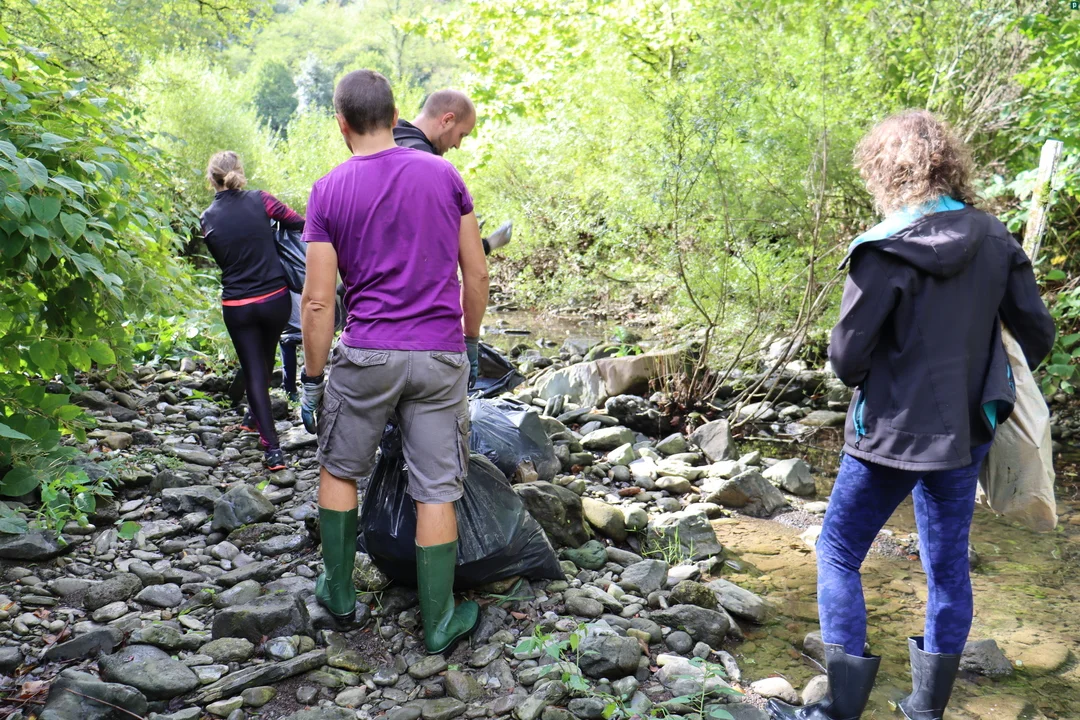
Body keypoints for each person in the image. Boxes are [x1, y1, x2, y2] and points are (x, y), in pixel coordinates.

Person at [769, 110, 1055, 720]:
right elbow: (1036, 332)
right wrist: (988, 374)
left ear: (884, 171)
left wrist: (882, 383)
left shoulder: (882, 247)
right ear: (950, 165)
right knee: (946, 568)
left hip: (887, 434)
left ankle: (838, 710)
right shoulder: (995, 238)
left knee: (838, 551)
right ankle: (925, 710)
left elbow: (847, 357)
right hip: (967, 431)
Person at [300, 70, 490, 654]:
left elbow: (318, 301)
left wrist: (312, 380)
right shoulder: (444, 175)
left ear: (341, 123)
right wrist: (470, 342)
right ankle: (439, 623)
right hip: (438, 356)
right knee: (436, 488)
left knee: (340, 470)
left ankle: (340, 597)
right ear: (394, 113)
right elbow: (476, 272)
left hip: (368, 355)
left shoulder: (328, 190)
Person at [200, 151, 305, 471]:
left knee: (254, 370)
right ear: (239, 172)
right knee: (265, 357)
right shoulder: (262, 200)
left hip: (238, 306)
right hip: (275, 300)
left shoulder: (207, 218)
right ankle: (252, 419)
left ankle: (273, 449)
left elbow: (223, 259)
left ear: (211, 179)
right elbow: (300, 223)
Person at [394, 89, 512, 255]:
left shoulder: (391, 138)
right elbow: (431, 239)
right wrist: (484, 242)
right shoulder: (425, 162)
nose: (457, 145)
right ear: (447, 120)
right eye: (461, 135)